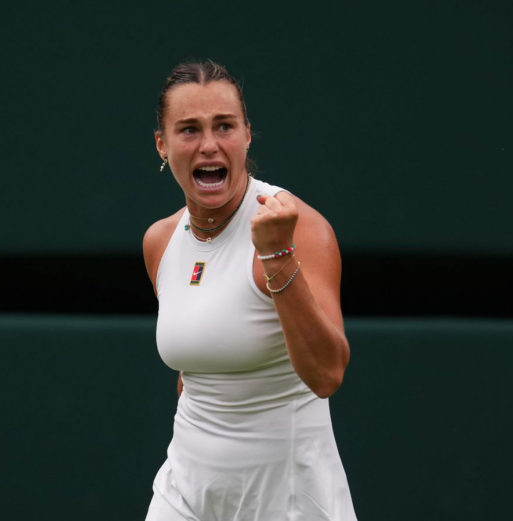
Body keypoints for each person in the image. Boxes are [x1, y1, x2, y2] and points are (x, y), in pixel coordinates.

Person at [143, 60, 357, 521]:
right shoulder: (160, 242)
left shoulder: (301, 228)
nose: (209, 144)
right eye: (189, 130)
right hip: (184, 494)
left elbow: (327, 375)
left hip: (287, 500)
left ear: (246, 135)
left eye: (224, 126)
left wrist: (277, 256)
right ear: (162, 144)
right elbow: (198, 360)